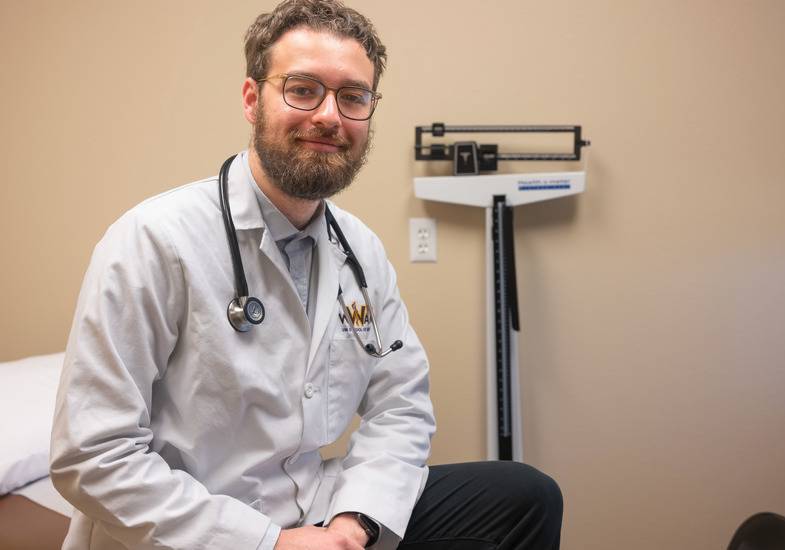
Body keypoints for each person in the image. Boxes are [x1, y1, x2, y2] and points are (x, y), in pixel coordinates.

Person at [50, 1, 563, 549]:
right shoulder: (154, 239)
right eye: (303, 89)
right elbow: (93, 454)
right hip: (194, 528)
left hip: (318, 509)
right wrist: (269, 543)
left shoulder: (359, 249)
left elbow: (401, 404)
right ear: (253, 100)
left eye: (352, 96)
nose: (329, 116)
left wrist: (354, 522)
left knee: (523, 496)